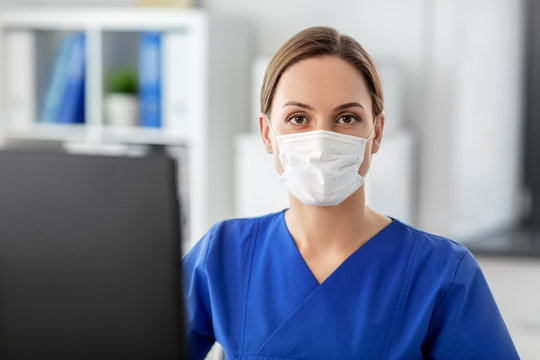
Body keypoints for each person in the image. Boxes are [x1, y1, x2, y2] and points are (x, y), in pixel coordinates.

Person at [183, 26, 519, 359]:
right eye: (298, 118)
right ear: (267, 134)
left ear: (376, 133)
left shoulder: (441, 273)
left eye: (346, 118)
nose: (321, 140)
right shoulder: (223, 257)